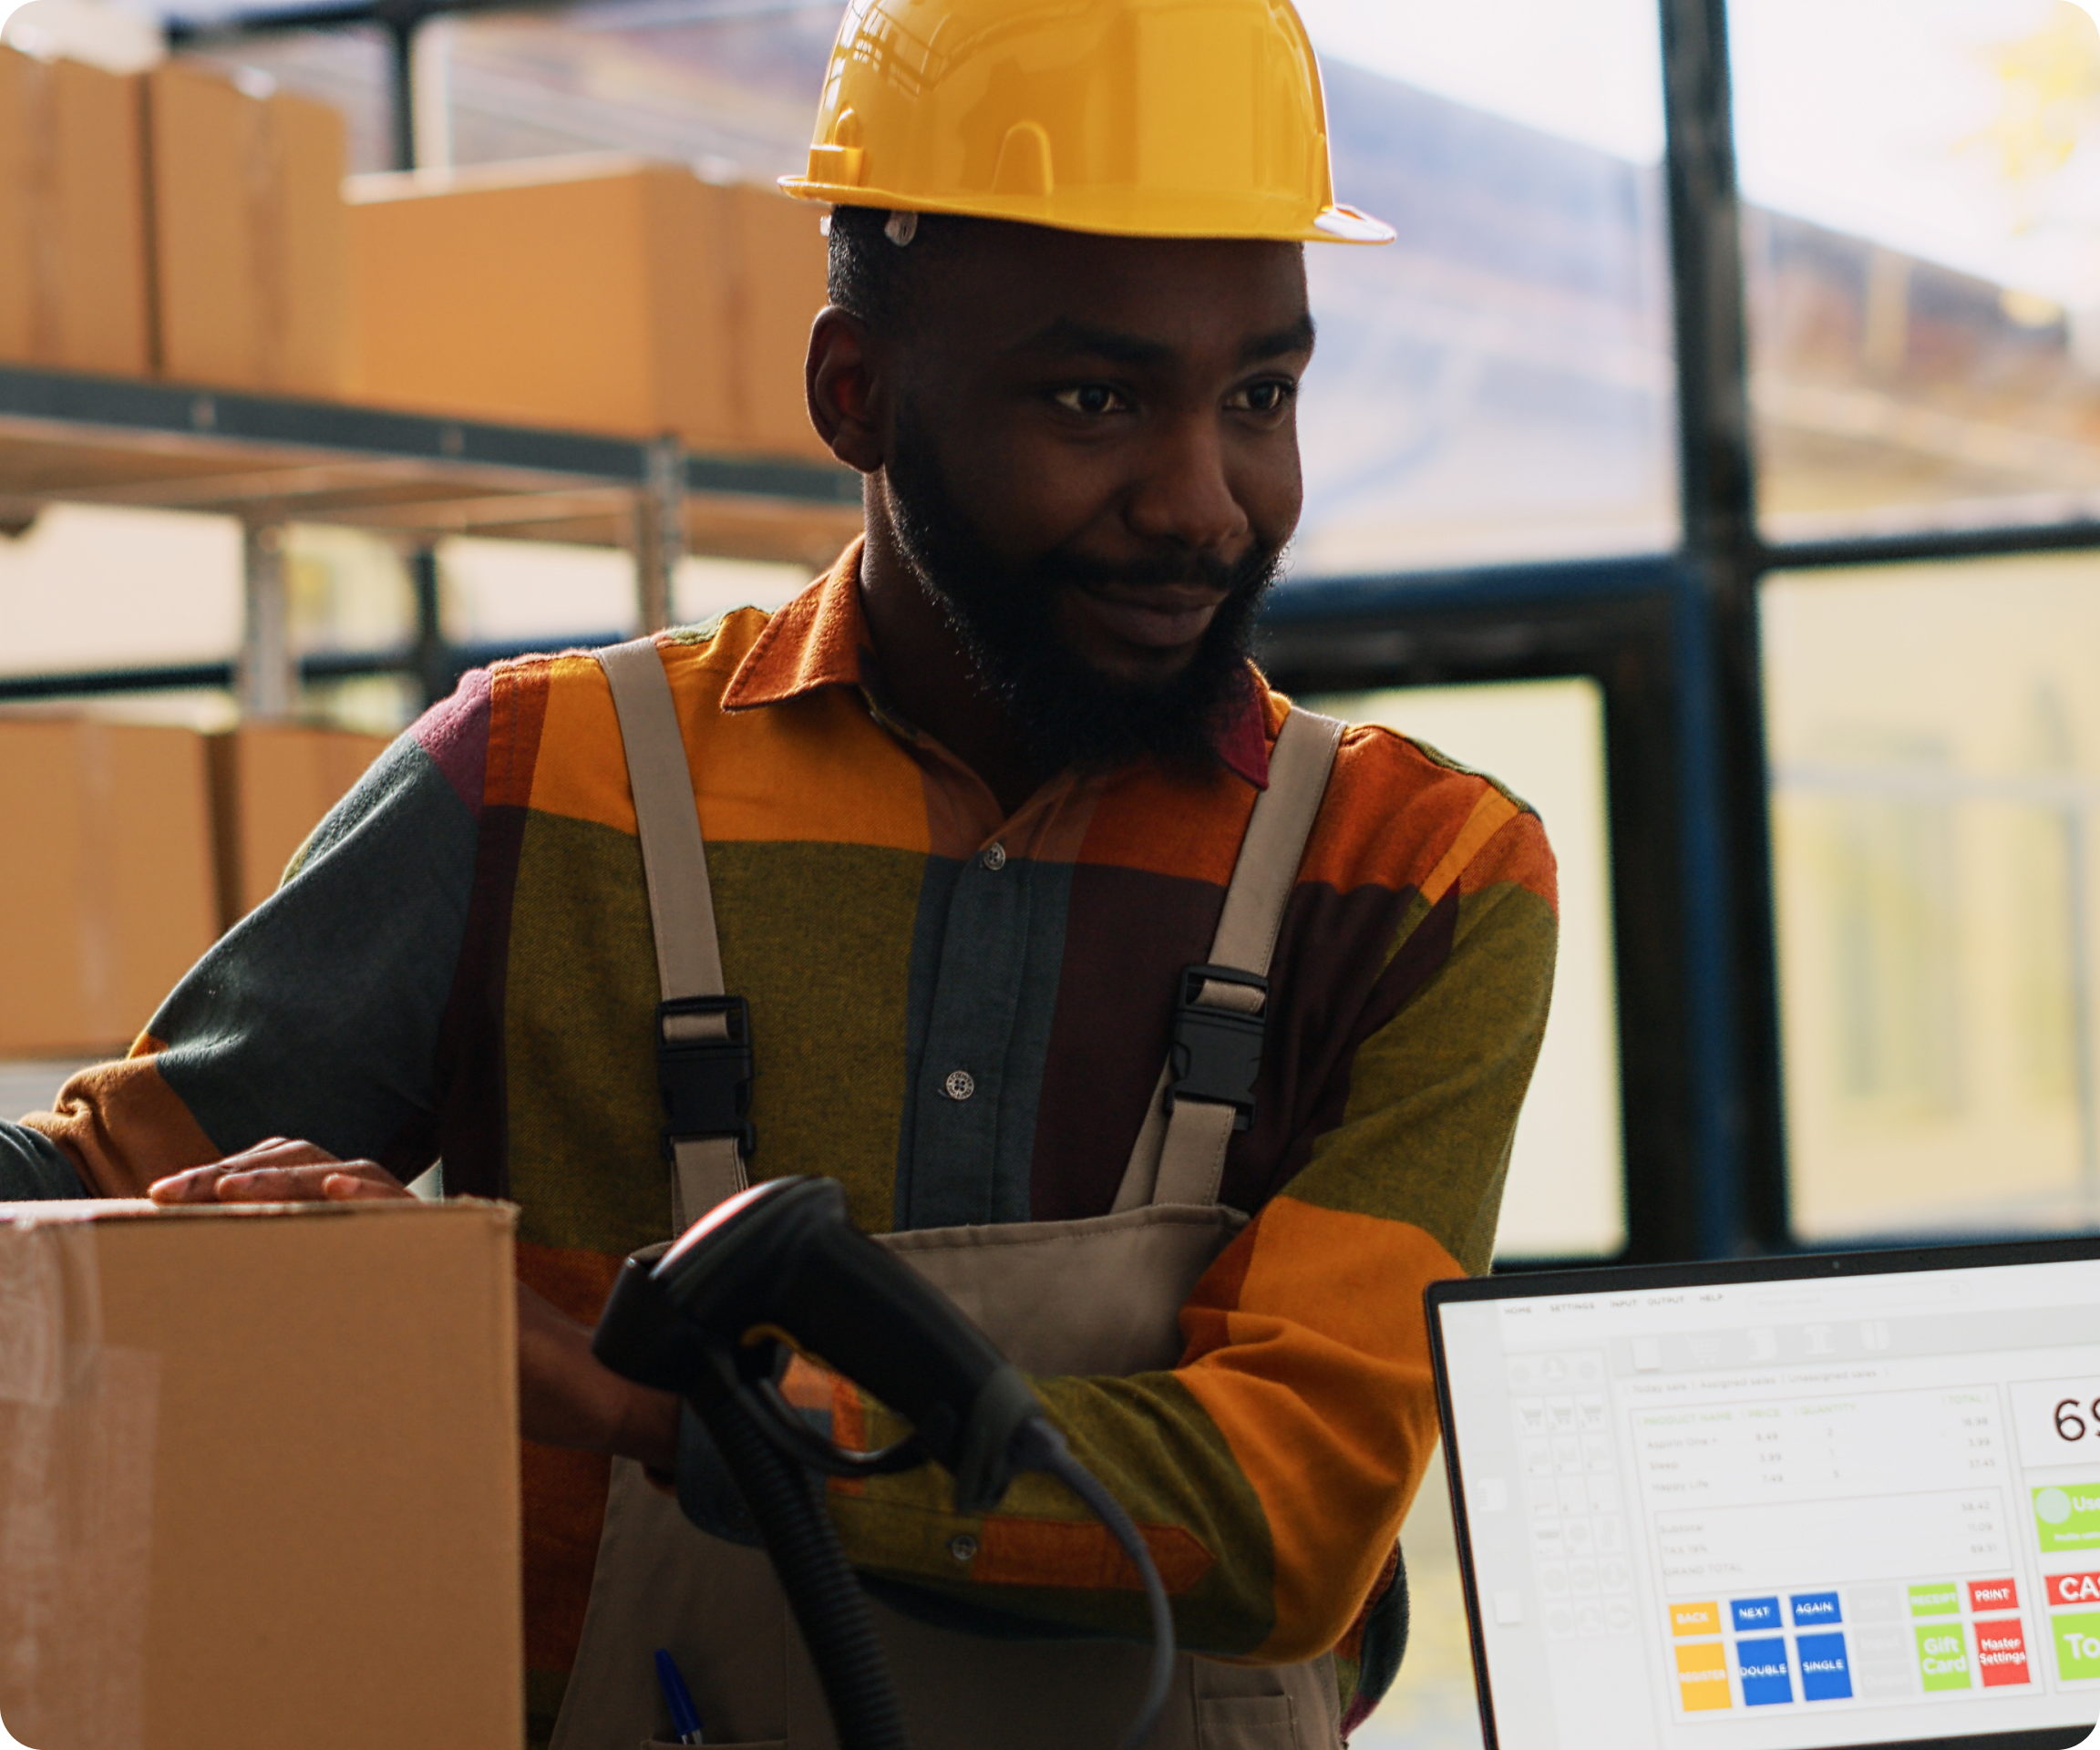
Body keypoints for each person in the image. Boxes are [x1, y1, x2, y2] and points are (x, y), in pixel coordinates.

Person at [0, 2, 1557, 1744]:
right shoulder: (533, 785)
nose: (1204, 500)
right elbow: (73, 1201)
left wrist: (664, 1410)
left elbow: (1296, 1511)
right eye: (1097, 398)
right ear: (856, 393)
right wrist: (232, 1248)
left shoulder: (1419, 877)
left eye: (1260, 395)